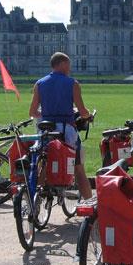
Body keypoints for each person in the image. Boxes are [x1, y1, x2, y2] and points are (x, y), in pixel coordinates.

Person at [29, 52, 93, 199]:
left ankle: (36, 200)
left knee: (44, 163)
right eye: (68, 64)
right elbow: (82, 111)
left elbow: (32, 112)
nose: (70, 68)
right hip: (66, 130)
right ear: (62, 64)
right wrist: (87, 115)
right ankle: (90, 205)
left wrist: (46, 115)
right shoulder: (73, 83)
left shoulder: (39, 84)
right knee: (78, 169)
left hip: (46, 130)